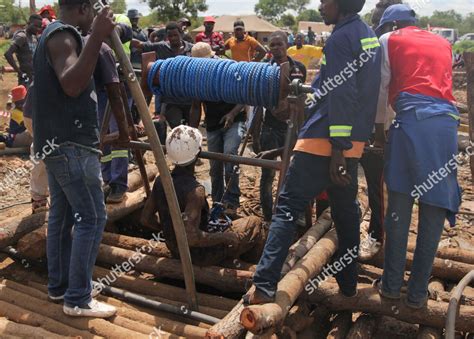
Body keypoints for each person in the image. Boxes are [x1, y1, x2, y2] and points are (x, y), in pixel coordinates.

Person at [244, 0, 381, 304]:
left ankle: (265, 285)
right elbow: (339, 86)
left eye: (325, 1)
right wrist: (308, 99)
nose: (320, 6)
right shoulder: (367, 35)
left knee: (287, 209)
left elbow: (344, 95)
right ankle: (347, 286)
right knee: (346, 216)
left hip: (325, 142)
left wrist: (336, 151)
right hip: (351, 144)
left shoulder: (339, 39)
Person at [32, 0, 116, 317]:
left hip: (58, 143)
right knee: (93, 217)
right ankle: (78, 299)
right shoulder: (64, 35)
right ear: (83, 8)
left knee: (64, 216)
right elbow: (71, 84)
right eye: (92, 11)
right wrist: (96, 37)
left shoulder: (53, 34)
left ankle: (60, 287)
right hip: (70, 144)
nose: (94, 16)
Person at [374, 4, 461, 309]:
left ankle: (391, 285)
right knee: (433, 206)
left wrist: (379, 131)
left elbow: (383, 88)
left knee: (399, 203)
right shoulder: (443, 42)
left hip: (411, 123)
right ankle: (417, 293)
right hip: (447, 126)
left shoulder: (389, 40)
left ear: (392, 25)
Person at [141, 125, 267, 266]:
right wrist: (224, 237)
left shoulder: (161, 180)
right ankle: (249, 266)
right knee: (255, 223)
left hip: (175, 248)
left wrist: (171, 232)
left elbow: (146, 219)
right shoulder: (195, 192)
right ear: (198, 153)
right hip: (199, 255)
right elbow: (192, 238)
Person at [358, 0, 402, 260]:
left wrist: (378, 133)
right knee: (373, 185)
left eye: (379, 24)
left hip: (386, 129)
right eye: (374, 23)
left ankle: (377, 236)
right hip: (368, 126)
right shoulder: (372, 44)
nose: (375, 28)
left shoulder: (394, 48)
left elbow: (384, 91)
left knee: (380, 187)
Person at [253, 31, 306, 222]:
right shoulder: (264, 70)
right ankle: (268, 218)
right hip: (270, 128)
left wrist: (301, 131)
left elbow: (301, 102)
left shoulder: (298, 69)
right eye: (272, 45)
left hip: (291, 128)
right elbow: (258, 104)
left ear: (286, 45)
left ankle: (293, 215)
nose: (275, 48)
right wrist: (255, 135)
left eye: (279, 44)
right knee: (267, 174)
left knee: (293, 173)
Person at [189, 42, 247, 216]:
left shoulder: (229, 70)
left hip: (235, 120)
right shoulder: (196, 77)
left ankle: (232, 200)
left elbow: (245, 96)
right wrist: (192, 133)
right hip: (213, 123)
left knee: (230, 156)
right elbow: (195, 106)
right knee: (215, 166)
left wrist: (232, 113)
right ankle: (217, 201)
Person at [132, 22, 194, 143]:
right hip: (171, 99)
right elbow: (139, 45)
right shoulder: (161, 47)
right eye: (170, 36)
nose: (173, 38)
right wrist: (120, 33)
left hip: (190, 98)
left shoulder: (191, 49)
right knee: (178, 130)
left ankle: (192, 156)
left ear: (181, 34)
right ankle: (177, 154)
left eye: (175, 35)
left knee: (191, 130)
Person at [4, 14, 42, 87]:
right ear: (29, 23)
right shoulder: (22, 36)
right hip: (26, 78)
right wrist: (19, 72)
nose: (38, 29)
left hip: (35, 77)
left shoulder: (34, 37)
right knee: (25, 97)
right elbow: (8, 54)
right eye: (35, 26)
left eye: (39, 27)